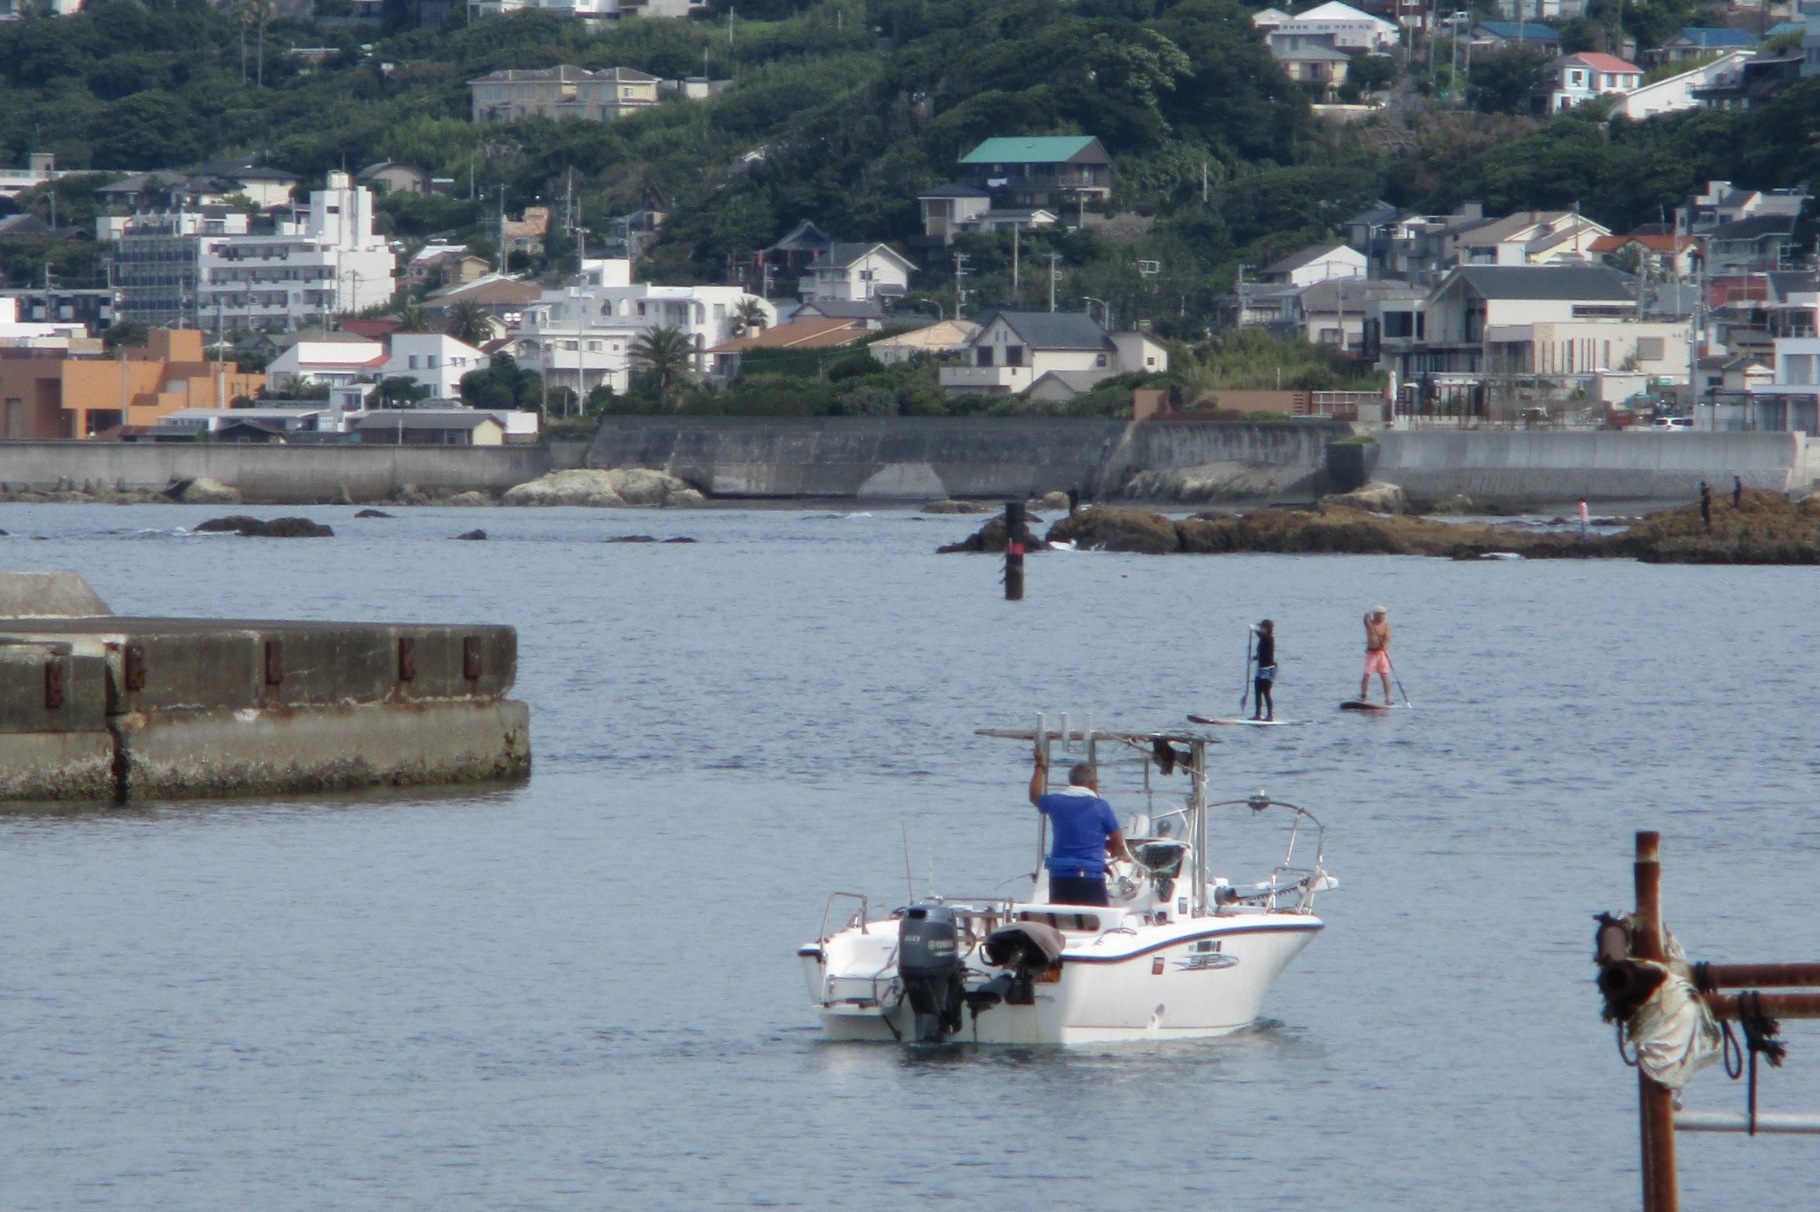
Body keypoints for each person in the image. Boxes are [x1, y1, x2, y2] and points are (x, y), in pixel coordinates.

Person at [1029, 750, 1131, 907]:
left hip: (1060, 877)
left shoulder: (1056, 802)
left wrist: (1040, 765)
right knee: (1095, 922)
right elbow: (1118, 843)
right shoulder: (1101, 807)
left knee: (1064, 923)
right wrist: (1118, 852)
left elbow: (1034, 796)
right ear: (1092, 784)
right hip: (1090, 878)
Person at [1360, 605, 1392, 706]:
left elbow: (1387, 638)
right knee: (1366, 675)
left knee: (1384, 676)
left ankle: (1387, 699)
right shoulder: (1371, 624)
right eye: (1381, 614)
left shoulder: (1386, 626)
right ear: (1376, 615)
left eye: (1384, 614)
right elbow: (1366, 622)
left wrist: (1384, 644)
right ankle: (1363, 697)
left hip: (1381, 654)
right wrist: (1366, 616)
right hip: (1371, 654)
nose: (1383, 616)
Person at [1251, 619, 1277, 721]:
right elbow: (1262, 652)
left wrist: (1254, 630)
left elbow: (1262, 636)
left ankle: (1270, 716)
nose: (1260, 628)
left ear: (1267, 629)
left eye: (1262, 627)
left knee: (1266, 692)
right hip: (1260, 669)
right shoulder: (1262, 639)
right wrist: (1255, 657)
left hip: (1268, 670)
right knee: (1257, 691)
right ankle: (1258, 715)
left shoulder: (1269, 638)